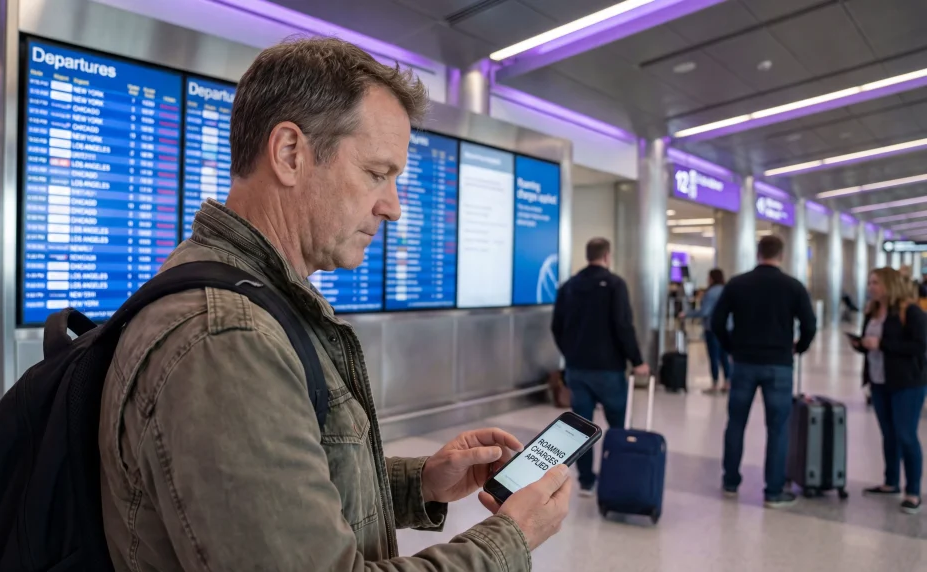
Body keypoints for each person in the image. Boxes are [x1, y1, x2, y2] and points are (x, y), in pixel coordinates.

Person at [99, 38, 573, 572]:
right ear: (289, 154)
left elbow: (285, 499)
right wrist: (510, 539)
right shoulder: (227, 339)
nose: (392, 207)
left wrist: (419, 482)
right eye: (377, 173)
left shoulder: (252, 298)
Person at [711, 235, 817, 508]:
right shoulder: (793, 286)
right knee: (778, 428)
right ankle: (773, 491)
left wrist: (731, 346)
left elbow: (717, 322)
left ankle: (731, 481)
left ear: (758, 253)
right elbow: (809, 325)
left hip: (744, 362)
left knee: (736, 423)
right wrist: (799, 347)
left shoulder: (738, 284)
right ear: (780, 255)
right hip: (779, 364)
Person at [551, 238, 650, 497]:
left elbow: (556, 326)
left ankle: (586, 481)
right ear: (607, 255)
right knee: (617, 423)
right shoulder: (615, 284)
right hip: (609, 368)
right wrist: (637, 360)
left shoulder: (569, 286)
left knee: (581, 427)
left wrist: (570, 353)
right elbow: (623, 325)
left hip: (577, 368)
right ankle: (616, 473)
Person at [850, 267, 927, 514]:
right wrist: (861, 345)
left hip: (907, 382)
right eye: (870, 282)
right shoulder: (872, 311)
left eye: (876, 283)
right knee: (889, 434)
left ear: (890, 285)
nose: (871, 287)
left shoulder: (910, 311)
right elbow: (870, 343)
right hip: (879, 381)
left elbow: (919, 345)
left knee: (906, 434)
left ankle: (913, 491)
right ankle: (890, 481)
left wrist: (881, 344)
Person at [680, 268, 731, 395]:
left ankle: (714, 383)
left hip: (712, 328)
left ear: (712, 278)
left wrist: (687, 314)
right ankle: (727, 382)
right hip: (727, 328)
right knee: (725, 356)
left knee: (713, 356)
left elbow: (704, 312)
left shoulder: (711, 292)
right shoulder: (727, 290)